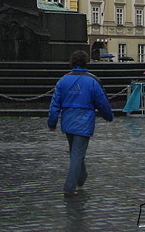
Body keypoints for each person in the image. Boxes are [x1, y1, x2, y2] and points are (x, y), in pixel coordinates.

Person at [47, 50, 114, 196]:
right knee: (77, 153)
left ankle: (81, 177)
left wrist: (52, 122)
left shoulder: (63, 80)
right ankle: (70, 187)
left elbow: (55, 104)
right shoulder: (92, 81)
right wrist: (108, 116)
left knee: (75, 152)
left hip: (68, 120)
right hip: (84, 121)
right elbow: (102, 102)